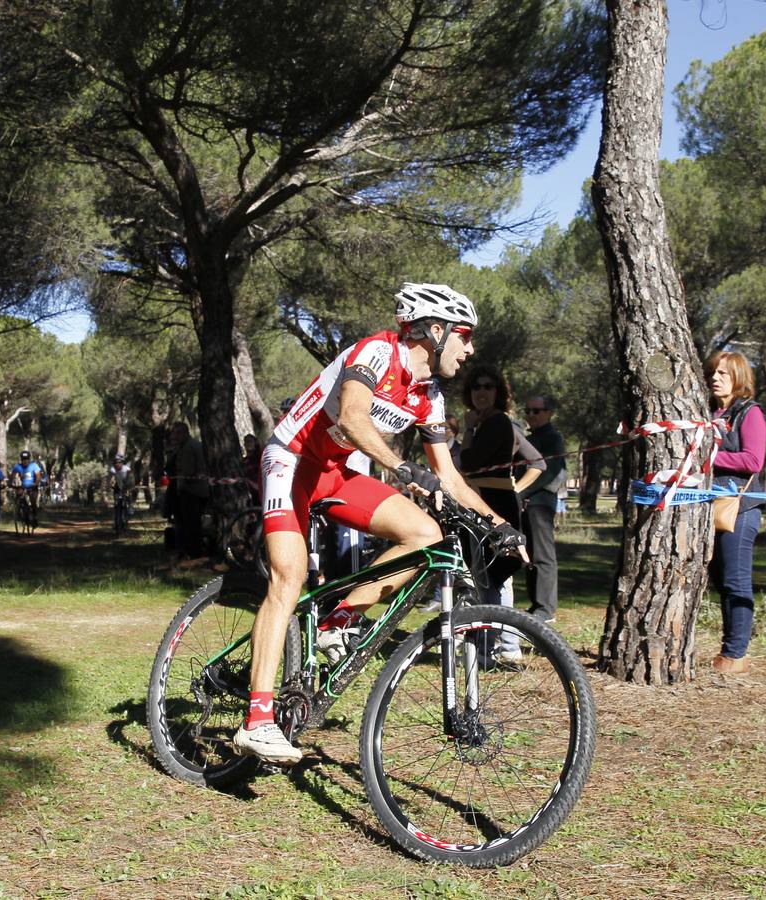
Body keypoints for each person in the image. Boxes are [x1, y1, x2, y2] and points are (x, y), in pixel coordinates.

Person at [234, 282, 527, 764]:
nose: (470, 349)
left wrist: (500, 525)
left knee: (424, 535)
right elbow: (352, 417)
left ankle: (338, 619)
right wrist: (399, 466)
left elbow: (448, 476)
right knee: (290, 576)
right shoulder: (377, 352)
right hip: (290, 460)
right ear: (436, 331)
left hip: (336, 473)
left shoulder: (429, 394)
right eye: (466, 335)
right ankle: (258, 721)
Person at [459, 366, 540, 662]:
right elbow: (538, 463)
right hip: (494, 501)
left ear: (499, 393)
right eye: (476, 386)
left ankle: (486, 649)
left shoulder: (496, 424)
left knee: (488, 578)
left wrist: (467, 430)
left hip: (490, 506)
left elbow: (467, 463)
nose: (481, 391)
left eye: (488, 387)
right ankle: (507, 647)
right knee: (497, 579)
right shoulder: (495, 424)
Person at [706, 350, 766, 675]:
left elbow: (752, 461)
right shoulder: (714, 413)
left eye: (723, 374)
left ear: (739, 378)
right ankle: (729, 649)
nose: (715, 378)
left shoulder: (751, 413)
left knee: (736, 580)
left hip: (742, 510)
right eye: (714, 373)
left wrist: (709, 457)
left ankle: (736, 655)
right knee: (720, 580)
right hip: (714, 508)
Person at [520, 395, 566, 623]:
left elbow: (550, 471)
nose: (531, 415)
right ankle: (536, 604)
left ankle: (546, 608)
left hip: (539, 504)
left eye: (536, 411)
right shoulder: (531, 437)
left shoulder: (552, 438)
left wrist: (521, 491)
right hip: (525, 504)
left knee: (543, 555)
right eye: (527, 410)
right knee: (528, 555)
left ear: (548, 413)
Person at [168, 423, 210, 562]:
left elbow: (188, 472)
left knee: (190, 524)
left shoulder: (188, 447)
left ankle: (193, 553)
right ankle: (191, 551)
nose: (175, 436)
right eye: (174, 433)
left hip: (192, 491)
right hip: (195, 490)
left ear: (184, 433)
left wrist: (181, 483)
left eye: (178, 433)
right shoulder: (190, 445)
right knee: (191, 523)